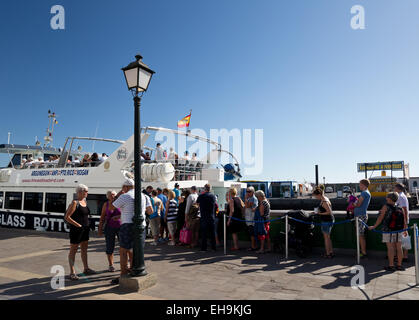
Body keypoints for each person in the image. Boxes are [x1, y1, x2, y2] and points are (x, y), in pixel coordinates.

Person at [109, 178, 153, 285]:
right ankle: (135, 270)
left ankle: (123, 274)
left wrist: (118, 195)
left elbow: (111, 207)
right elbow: (150, 211)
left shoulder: (125, 196)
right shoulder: (144, 196)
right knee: (135, 250)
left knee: (123, 250)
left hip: (127, 225)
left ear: (126, 187)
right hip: (141, 226)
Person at [64, 184, 96, 280]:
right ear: (80, 192)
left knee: (84, 249)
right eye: (85, 191)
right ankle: (72, 272)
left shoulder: (84, 202)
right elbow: (67, 217)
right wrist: (77, 225)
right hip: (76, 230)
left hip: (85, 230)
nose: (87, 193)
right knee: (73, 250)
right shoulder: (75, 203)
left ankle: (86, 268)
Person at [369, 192, 407, 271]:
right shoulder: (400, 208)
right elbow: (404, 220)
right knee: (399, 248)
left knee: (390, 248)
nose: (386, 198)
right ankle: (399, 265)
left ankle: (391, 265)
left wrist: (374, 226)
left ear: (389, 199)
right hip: (398, 230)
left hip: (388, 230)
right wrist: (405, 229)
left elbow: (380, 218)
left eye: (387, 197)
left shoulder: (385, 207)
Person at [98, 190, 121, 272]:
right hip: (109, 227)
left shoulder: (120, 203)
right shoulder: (106, 204)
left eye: (114, 195)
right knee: (109, 246)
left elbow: (126, 213)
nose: (113, 196)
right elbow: (102, 217)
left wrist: (119, 216)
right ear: (107, 197)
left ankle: (125, 263)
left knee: (124, 246)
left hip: (121, 227)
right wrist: (100, 229)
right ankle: (111, 265)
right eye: (111, 195)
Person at [312, 187, 335, 258]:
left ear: (318, 195)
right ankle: (331, 252)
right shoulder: (325, 198)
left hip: (326, 221)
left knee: (326, 238)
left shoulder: (324, 201)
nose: (315, 197)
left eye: (315, 196)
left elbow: (329, 212)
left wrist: (319, 213)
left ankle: (328, 254)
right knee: (328, 238)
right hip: (329, 220)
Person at [353, 179, 371, 259]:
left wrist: (353, 203)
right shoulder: (367, 192)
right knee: (361, 234)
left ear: (363, 185)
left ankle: (363, 252)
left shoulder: (364, 193)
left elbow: (359, 204)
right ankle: (362, 252)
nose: (359, 185)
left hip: (360, 216)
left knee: (360, 235)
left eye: (360, 184)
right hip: (361, 215)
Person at [197, 184, 217, 252]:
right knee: (212, 233)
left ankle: (204, 248)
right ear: (210, 189)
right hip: (211, 216)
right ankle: (213, 248)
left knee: (204, 234)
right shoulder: (213, 196)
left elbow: (197, 204)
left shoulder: (201, 196)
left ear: (204, 189)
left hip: (204, 217)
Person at [394, 183, 410, 262]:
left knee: (403, 239)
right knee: (402, 239)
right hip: (402, 220)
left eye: (395, 188)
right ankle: (402, 256)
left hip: (402, 221)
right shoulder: (402, 196)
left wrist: (405, 223)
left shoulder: (400, 197)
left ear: (398, 188)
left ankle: (405, 256)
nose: (394, 189)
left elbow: (404, 210)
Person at [244, 187, 258, 251]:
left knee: (252, 233)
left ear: (253, 192)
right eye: (247, 191)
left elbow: (247, 206)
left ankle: (253, 246)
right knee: (251, 233)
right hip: (250, 218)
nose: (247, 193)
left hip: (251, 219)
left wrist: (245, 199)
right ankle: (254, 246)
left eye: (249, 191)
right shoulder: (250, 198)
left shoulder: (252, 198)